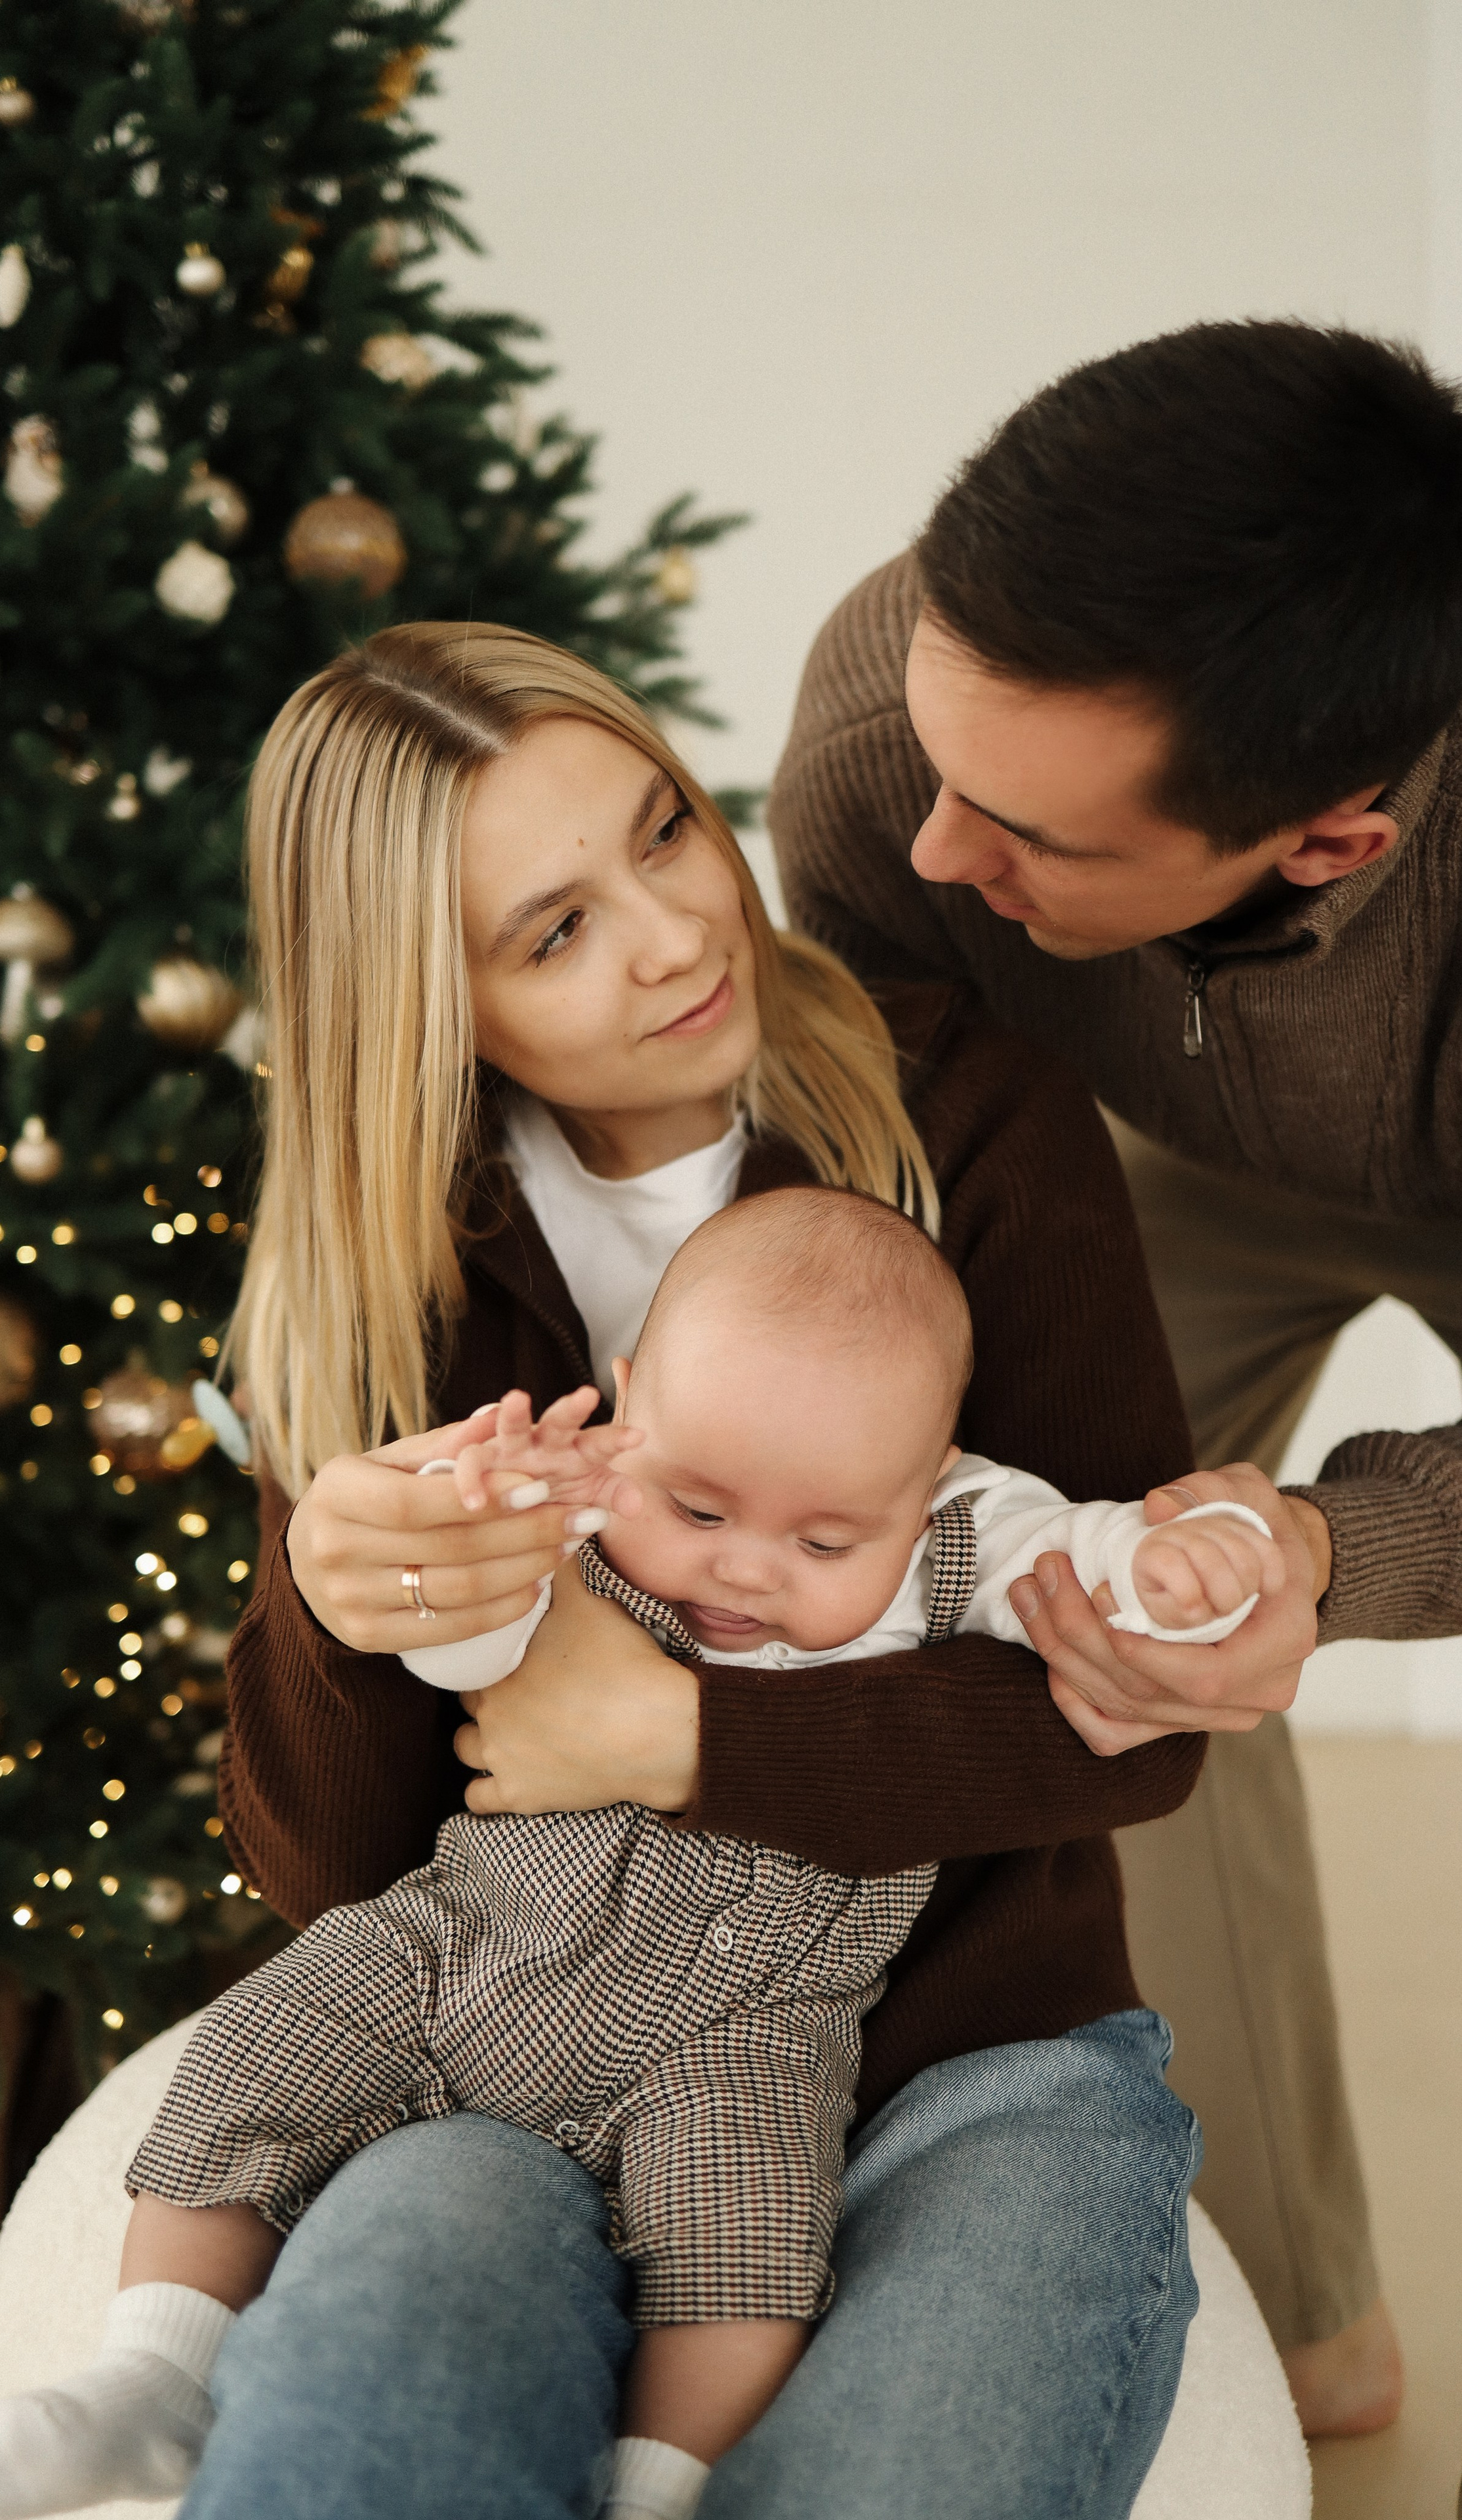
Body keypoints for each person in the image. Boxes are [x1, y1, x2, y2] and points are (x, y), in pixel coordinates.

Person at [100, 618, 1320, 2520]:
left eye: (662, 832)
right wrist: (337, 1621)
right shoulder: (382, 1273)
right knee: (356, 2435)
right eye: (552, 930)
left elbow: (1128, 1738)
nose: (676, 933)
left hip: (972, 2059)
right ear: (428, 1005)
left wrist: (672, 1732)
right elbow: (339, 1873)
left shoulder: (972, 1124)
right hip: (502, 2050)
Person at [0, 1190, 1287, 2520]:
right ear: (627, 1397)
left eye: (824, 1540)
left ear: (935, 1472)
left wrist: (1181, 1563)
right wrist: (467, 1528)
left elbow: (1089, 1567)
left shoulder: (959, 1541)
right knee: (260, 2051)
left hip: (742, 2035)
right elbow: (464, 1658)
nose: (746, 1568)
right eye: (698, 1506)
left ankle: (664, 2485)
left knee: (748, 2253)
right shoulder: (577, 1502)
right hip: (465, 1952)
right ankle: (153, 2378)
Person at [769, 316, 1462, 2440]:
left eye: (1035, 836)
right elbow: (898, 1138)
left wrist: (1338, 1547)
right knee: (1109, 1616)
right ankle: (1286, 2306)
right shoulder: (898, 732)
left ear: (1333, 842)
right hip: (1135, 1130)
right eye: (942, 761)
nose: (942, 849)